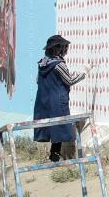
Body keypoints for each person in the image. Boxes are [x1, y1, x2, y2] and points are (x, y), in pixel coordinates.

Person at [33, 34, 86, 162]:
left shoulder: (43, 64)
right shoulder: (58, 64)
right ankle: (55, 155)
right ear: (59, 49)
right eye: (64, 48)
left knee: (52, 127)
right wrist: (85, 73)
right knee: (60, 127)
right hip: (57, 100)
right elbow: (70, 80)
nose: (66, 50)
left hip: (43, 100)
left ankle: (54, 154)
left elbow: (37, 81)